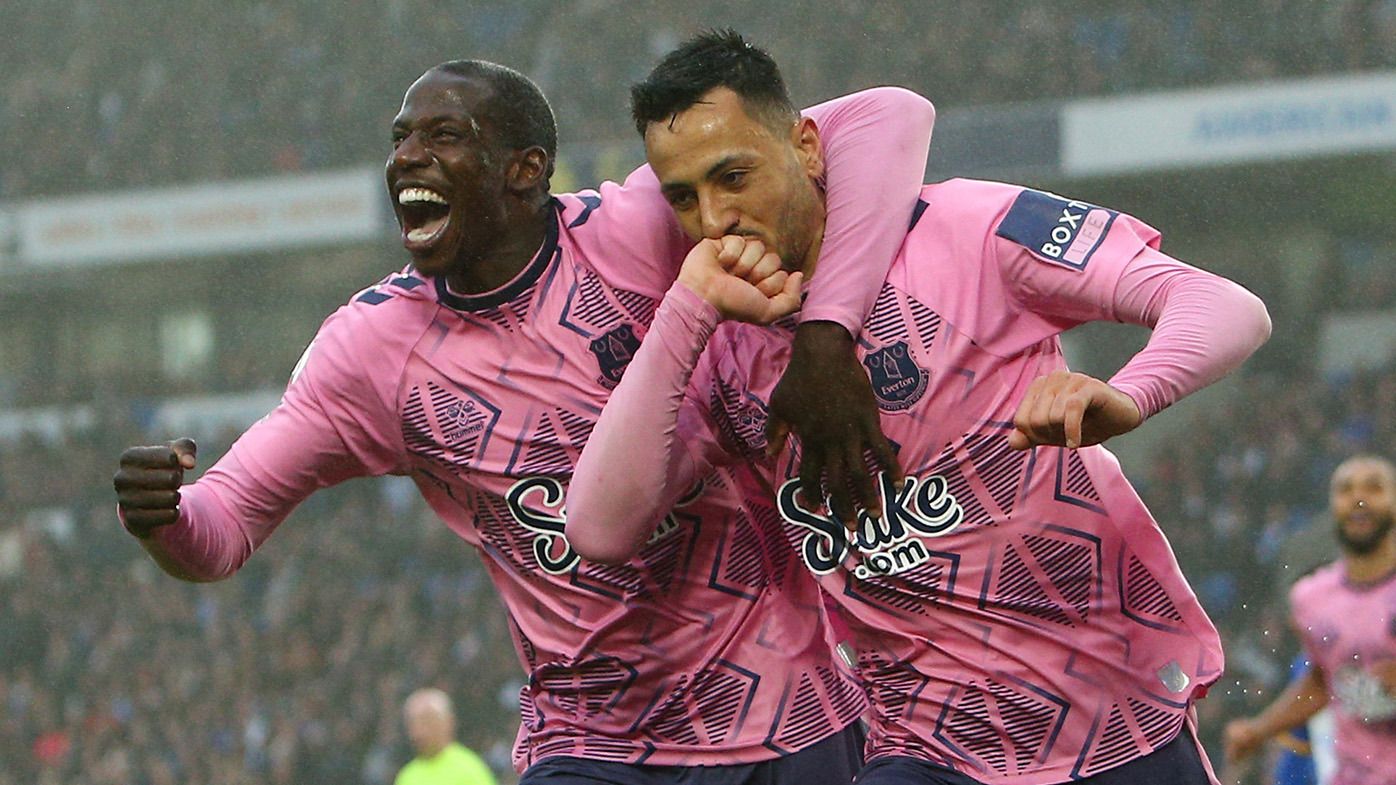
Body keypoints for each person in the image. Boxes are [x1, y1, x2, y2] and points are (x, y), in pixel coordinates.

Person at [112, 55, 936, 782]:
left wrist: (828, 335)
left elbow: (887, 115)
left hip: (792, 721)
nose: (407, 158)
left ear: (524, 168)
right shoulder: (369, 350)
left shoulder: (639, 226)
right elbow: (221, 528)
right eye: (401, 138)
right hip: (590, 744)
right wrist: (164, 517)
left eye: (444, 135)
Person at [564, 30, 1272, 785]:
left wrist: (1130, 393)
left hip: (1115, 713)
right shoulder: (716, 343)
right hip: (925, 744)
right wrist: (685, 311)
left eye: (733, 176)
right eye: (683, 197)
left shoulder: (966, 230)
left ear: (807, 146)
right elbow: (598, 528)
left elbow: (1222, 303)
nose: (714, 219)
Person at [1225, 455, 1396, 785]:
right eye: (1346, 490)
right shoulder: (1311, 599)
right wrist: (1257, 731)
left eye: (1374, 487)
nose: (1359, 498)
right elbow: (1320, 680)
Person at [397, 688, 497, 785]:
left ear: (448, 722)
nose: (419, 731)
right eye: (413, 723)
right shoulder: (407, 776)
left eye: (427, 721)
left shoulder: (469, 770)